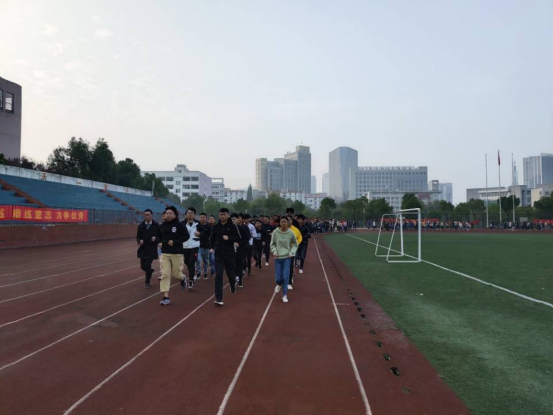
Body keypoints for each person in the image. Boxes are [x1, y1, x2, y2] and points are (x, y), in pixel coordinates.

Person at [158, 206, 189, 305]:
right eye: (167, 213)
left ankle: (182, 278)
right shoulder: (162, 225)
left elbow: (186, 236)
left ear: (175, 215)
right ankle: (165, 297)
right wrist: (159, 242)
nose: (168, 215)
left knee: (176, 274)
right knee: (165, 274)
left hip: (177, 252)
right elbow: (159, 236)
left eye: (170, 213)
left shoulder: (179, 225)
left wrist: (175, 242)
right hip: (165, 253)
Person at [209, 208, 240, 306]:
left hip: (229, 254)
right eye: (220, 214)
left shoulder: (233, 226)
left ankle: (232, 284)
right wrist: (211, 247)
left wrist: (229, 238)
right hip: (218, 254)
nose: (222, 216)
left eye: (224, 214)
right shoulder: (216, 227)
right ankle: (219, 298)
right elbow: (212, 238)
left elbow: (238, 238)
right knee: (218, 274)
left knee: (230, 274)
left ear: (228, 215)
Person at [270, 216, 298, 303]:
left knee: (285, 276)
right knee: (278, 278)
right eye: (281, 222)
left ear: (287, 223)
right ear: (279, 223)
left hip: (287, 257)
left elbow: (295, 244)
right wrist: (274, 251)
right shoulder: (275, 232)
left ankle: (284, 295)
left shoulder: (290, 233)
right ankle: (278, 284)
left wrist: (292, 252)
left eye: (285, 222)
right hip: (278, 257)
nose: (283, 223)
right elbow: (272, 244)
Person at [136, 209, 160, 289]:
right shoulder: (141, 226)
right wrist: (140, 240)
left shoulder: (156, 225)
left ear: (151, 215)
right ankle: (150, 271)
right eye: (145, 215)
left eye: (148, 214)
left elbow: (160, 236)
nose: (147, 216)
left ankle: (147, 282)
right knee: (143, 267)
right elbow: (138, 236)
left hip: (152, 249)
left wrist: (155, 238)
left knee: (147, 265)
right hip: (143, 249)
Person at [182, 207, 201, 290]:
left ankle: (191, 280)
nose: (190, 214)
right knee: (186, 262)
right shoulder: (182, 224)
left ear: (194, 215)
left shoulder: (198, 223)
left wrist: (200, 233)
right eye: (188, 213)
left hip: (194, 246)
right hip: (185, 246)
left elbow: (204, 231)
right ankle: (193, 275)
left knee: (191, 262)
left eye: (191, 213)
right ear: (186, 214)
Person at [231, 213, 250, 288]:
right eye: (231, 219)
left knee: (239, 264)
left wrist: (239, 243)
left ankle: (240, 280)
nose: (233, 220)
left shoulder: (241, 228)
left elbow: (246, 238)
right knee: (232, 263)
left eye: (234, 219)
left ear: (238, 220)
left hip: (240, 249)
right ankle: (235, 276)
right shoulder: (228, 228)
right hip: (230, 250)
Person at [286, 216, 302, 291]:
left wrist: (296, 244)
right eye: (286, 220)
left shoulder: (295, 230)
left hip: (291, 250)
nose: (287, 221)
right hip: (282, 250)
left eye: (289, 220)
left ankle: (289, 283)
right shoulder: (281, 229)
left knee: (290, 266)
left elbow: (300, 237)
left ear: (292, 221)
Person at [198, 212, 212, 280]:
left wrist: (211, 247)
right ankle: (198, 272)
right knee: (197, 259)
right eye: (201, 217)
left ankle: (205, 272)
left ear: (206, 218)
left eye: (204, 217)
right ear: (199, 218)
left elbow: (211, 237)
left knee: (205, 261)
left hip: (206, 246)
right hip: (198, 246)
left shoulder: (208, 227)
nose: (202, 218)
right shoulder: (197, 226)